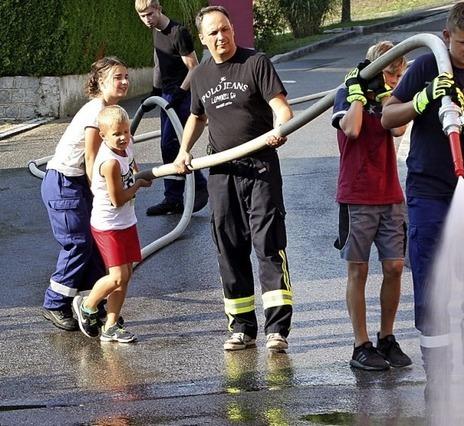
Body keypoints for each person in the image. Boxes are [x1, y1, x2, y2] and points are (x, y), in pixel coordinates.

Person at [381, 0, 464, 392]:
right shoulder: (424, 67)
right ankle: (438, 372)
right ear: (446, 37)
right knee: (432, 280)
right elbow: (388, 116)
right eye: (463, 43)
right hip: (428, 189)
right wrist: (421, 102)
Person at [173, 6, 294, 352]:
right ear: (203, 39)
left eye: (225, 29)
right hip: (222, 172)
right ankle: (241, 327)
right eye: (213, 33)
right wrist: (184, 151)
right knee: (229, 246)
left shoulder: (255, 63)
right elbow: (197, 118)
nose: (221, 37)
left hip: (260, 168)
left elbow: (281, 107)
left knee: (268, 243)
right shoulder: (200, 76)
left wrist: (281, 126)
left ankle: (276, 329)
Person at [331, 41, 412, 371]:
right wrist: (357, 94)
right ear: (376, 69)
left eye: (399, 74)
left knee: (394, 267)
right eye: (390, 73)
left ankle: (386, 337)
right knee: (359, 269)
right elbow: (352, 129)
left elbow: (397, 128)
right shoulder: (345, 91)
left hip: (390, 194)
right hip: (357, 195)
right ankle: (360, 344)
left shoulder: (390, 97)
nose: (395, 79)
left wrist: (385, 95)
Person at [41, 57, 129, 331]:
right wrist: (103, 196)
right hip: (64, 183)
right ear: (101, 82)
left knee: (93, 242)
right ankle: (54, 303)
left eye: (126, 76)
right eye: (118, 77)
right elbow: (91, 159)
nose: (124, 81)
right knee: (78, 243)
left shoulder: (110, 111)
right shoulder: (95, 112)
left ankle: (94, 304)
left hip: (76, 183)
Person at [72, 105, 152, 343]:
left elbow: (133, 165)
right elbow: (117, 200)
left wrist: (138, 172)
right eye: (116, 134)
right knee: (116, 277)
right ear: (103, 136)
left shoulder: (127, 147)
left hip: (126, 222)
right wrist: (138, 184)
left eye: (126, 132)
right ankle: (87, 305)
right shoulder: (109, 163)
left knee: (125, 276)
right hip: (109, 225)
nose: (123, 138)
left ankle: (111, 325)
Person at [135, 0, 209, 216]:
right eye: (142, 16)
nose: (147, 19)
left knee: (173, 144)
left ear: (158, 9)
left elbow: (194, 67)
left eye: (150, 14)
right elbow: (159, 63)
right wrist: (154, 92)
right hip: (166, 95)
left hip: (182, 96)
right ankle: (173, 199)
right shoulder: (156, 32)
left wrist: (180, 92)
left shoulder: (178, 32)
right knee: (167, 148)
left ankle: (199, 185)